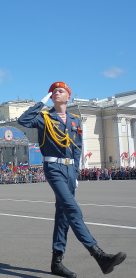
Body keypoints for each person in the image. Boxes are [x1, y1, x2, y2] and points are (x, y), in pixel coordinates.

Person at [18, 81, 126, 277]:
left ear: (69, 96)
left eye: (60, 91)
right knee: (73, 209)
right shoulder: (44, 118)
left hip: (69, 171)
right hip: (54, 167)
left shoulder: (74, 120)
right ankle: (99, 256)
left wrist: (75, 172)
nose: (56, 93)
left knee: (63, 216)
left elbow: (77, 149)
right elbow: (23, 120)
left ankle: (56, 263)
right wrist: (41, 102)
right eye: (53, 91)